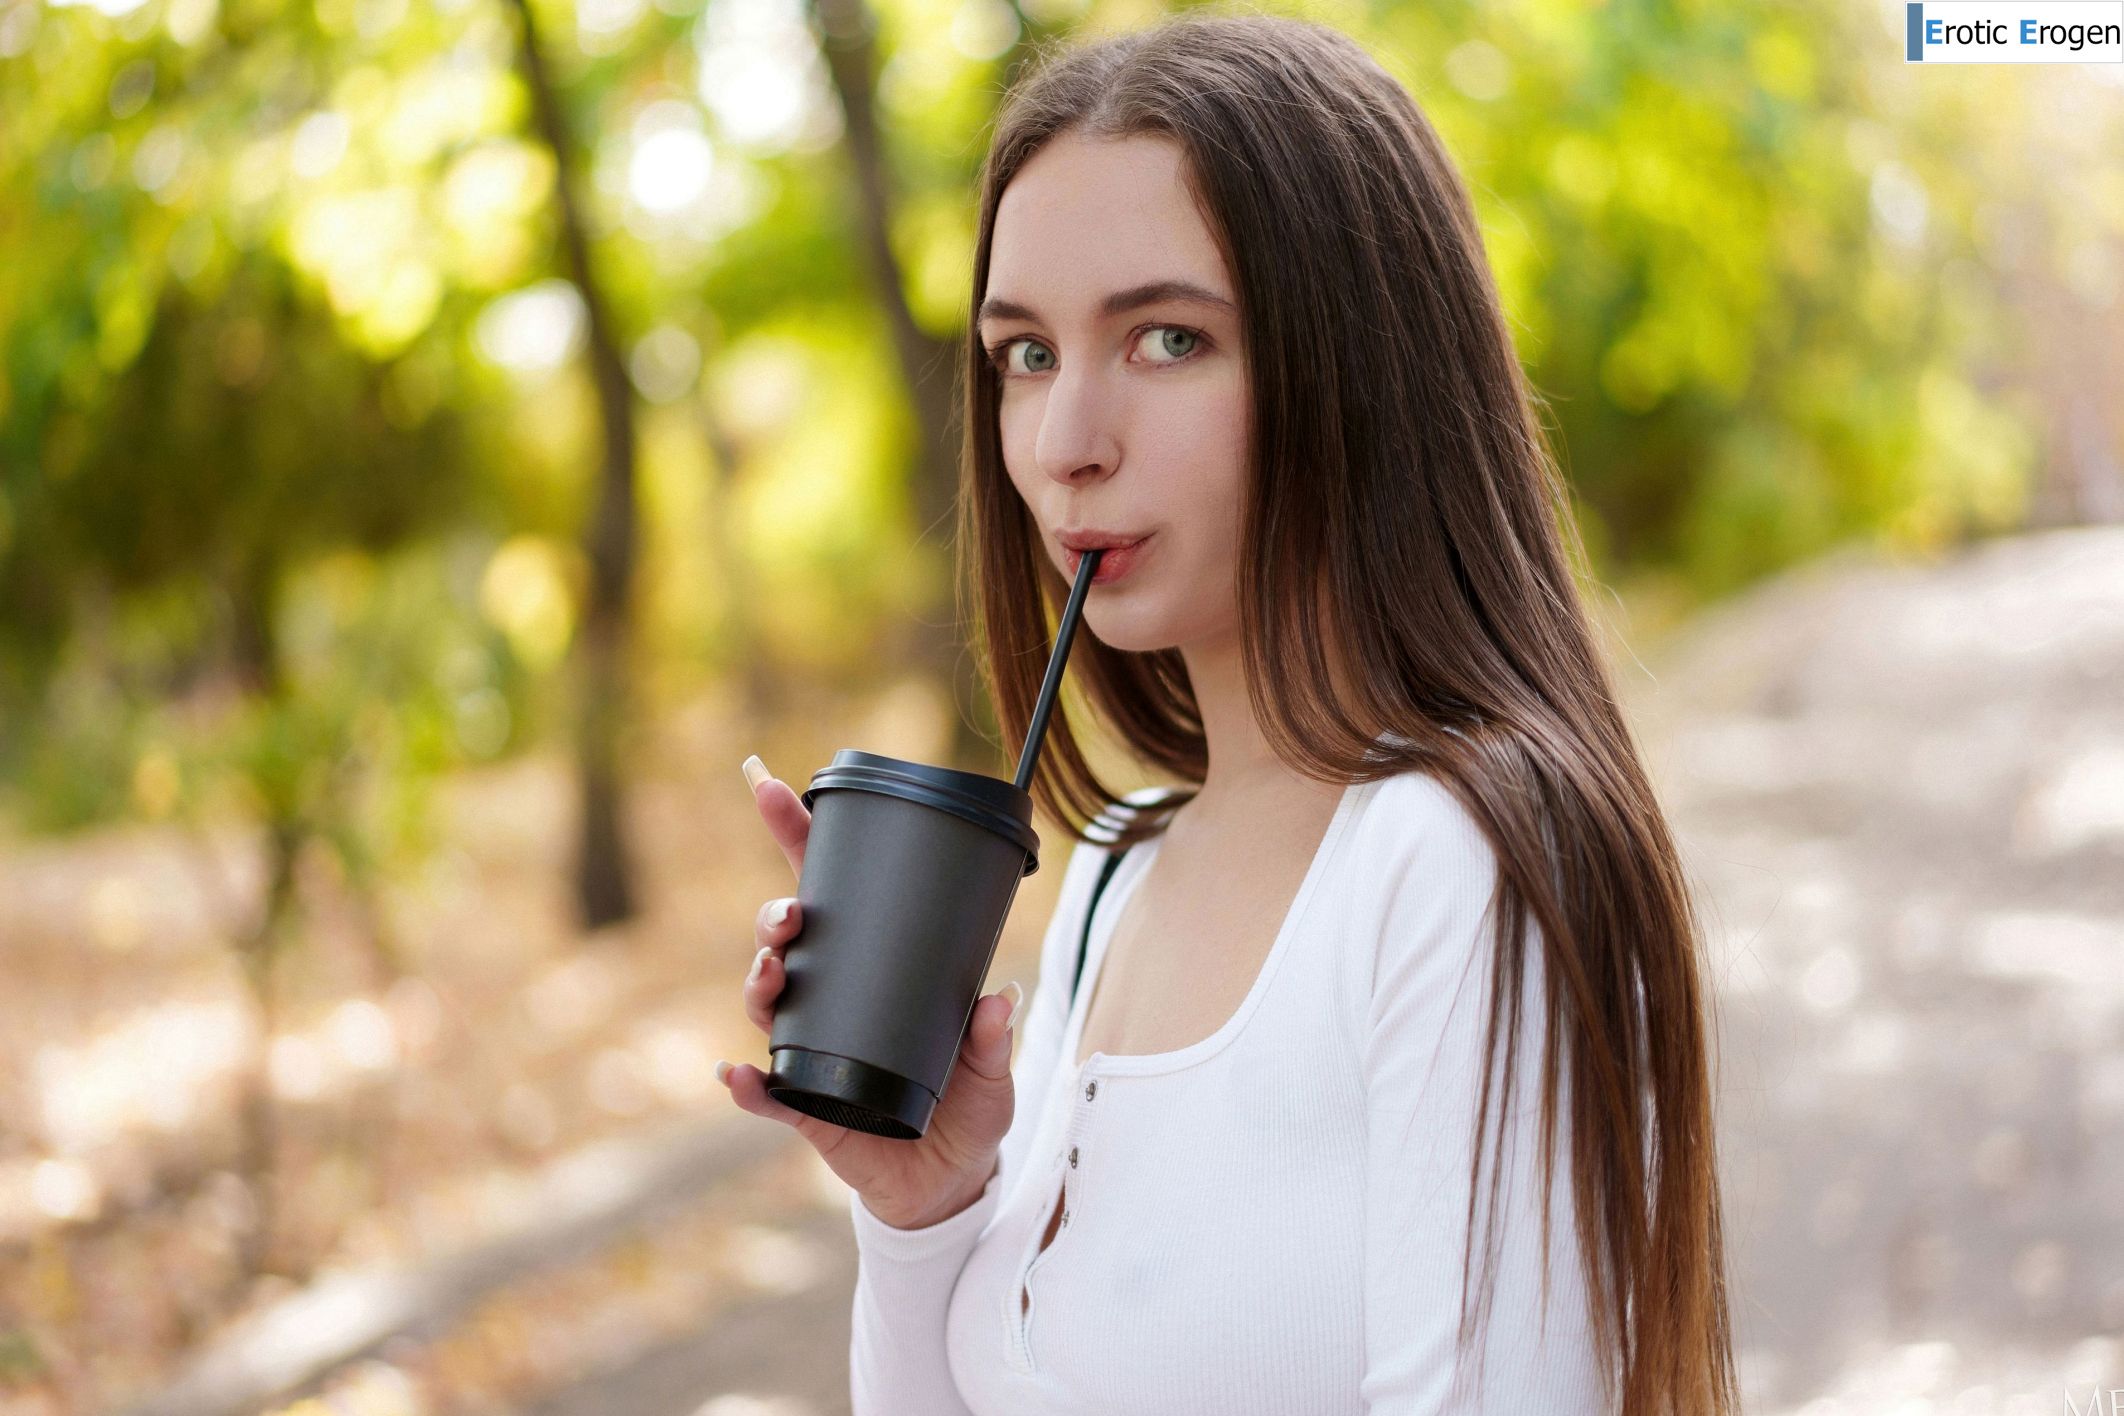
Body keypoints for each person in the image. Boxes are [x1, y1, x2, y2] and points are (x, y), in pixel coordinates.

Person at [716, 10, 1739, 1413]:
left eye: (1166, 339)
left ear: (1359, 369)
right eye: (1024, 355)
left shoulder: (1463, 860)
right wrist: (924, 1210)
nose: (1067, 442)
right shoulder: (1114, 874)